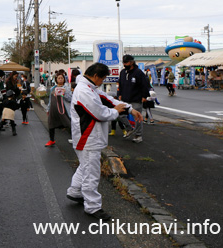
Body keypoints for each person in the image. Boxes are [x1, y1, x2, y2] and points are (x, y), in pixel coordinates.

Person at [66, 63, 142, 220]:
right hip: (87, 138)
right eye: (102, 78)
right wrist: (117, 111)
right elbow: (100, 113)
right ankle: (92, 207)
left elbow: (107, 99)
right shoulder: (84, 91)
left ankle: (75, 191)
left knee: (85, 167)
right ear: (95, 76)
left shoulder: (89, 88)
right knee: (91, 173)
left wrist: (128, 109)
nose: (103, 81)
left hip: (87, 138)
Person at [118, 55, 150, 144]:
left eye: (126, 62)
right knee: (119, 115)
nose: (124, 64)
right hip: (125, 98)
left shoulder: (138, 72)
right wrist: (119, 94)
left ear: (131, 62)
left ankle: (138, 135)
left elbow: (144, 85)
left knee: (137, 117)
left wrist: (144, 96)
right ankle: (129, 128)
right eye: (123, 62)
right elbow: (120, 84)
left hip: (136, 99)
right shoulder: (123, 72)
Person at [46, 73, 72, 147]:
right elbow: (50, 100)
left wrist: (64, 93)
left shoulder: (66, 88)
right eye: (59, 78)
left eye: (62, 78)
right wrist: (48, 108)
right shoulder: (53, 88)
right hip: (53, 109)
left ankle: (75, 139)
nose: (60, 79)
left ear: (64, 79)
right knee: (51, 123)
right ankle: (51, 140)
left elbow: (70, 99)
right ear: (56, 80)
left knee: (69, 123)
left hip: (63, 109)